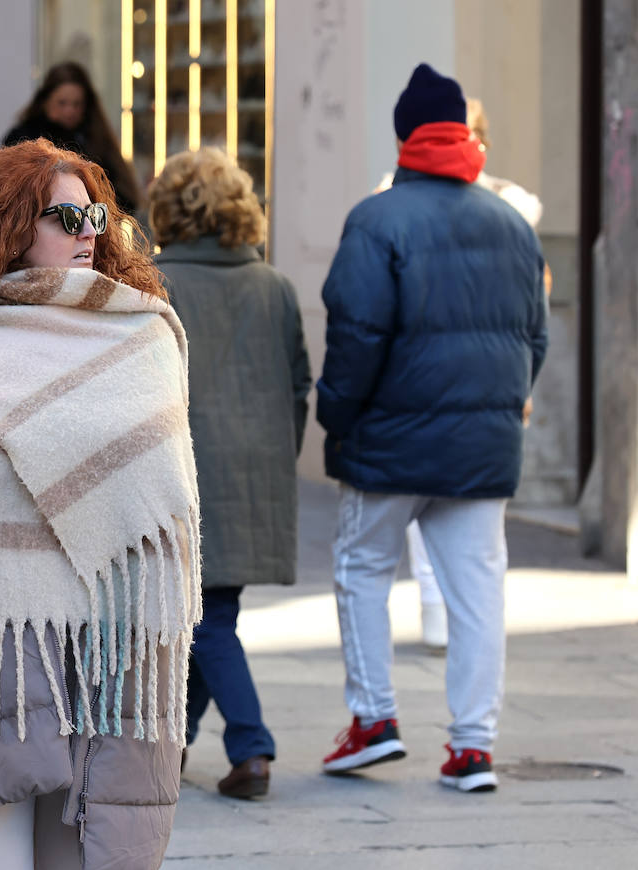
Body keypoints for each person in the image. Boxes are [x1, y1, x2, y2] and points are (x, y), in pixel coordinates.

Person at [0, 138, 201, 868]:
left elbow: (161, 486)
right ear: (5, 225)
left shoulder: (138, 331)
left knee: (81, 847)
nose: (90, 230)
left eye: (96, 214)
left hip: (104, 645)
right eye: (66, 215)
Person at [315, 63, 548, 793]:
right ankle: (473, 748)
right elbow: (535, 339)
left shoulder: (376, 218)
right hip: (482, 447)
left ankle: (374, 720)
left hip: (388, 441)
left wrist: (336, 415)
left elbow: (356, 335)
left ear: (403, 135)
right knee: (478, 591)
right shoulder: (510, 222)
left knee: (361, 571)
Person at [148, 147, 310, 800]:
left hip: (185, 467)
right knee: (213, 613)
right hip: (257, 468)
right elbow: (299, 382)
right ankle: (175, 743)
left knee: (205, 621)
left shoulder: (157, 286)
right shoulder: (275, 286)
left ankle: (251, 746)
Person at [374, 96, 547, 653]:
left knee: (478, 528)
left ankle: (469, 631)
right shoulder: (392, 197)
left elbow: (534, 302)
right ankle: (436, 614)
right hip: (424, 382)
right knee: (428, 513)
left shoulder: (511, 205)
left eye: (466, 131)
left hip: (485, 382)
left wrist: (521, 383)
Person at [3, 61, 143, 214]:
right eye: (62, 103)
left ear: (85, 107)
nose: (69, 111)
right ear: (45, 102)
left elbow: (125, 197)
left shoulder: (95, 139)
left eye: (76, 104)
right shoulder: (23, 139)